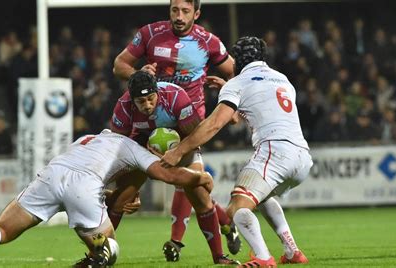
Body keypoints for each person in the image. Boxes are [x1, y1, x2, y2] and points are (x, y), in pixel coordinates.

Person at [0, 129, 214, 268]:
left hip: (53, 175)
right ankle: (97, 252)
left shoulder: (91, 137)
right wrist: (201, 178)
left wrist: (108, 195)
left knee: (2, 228)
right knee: (110, 248)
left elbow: (76, 168)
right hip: (84, 186)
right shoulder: (135, 148)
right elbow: (169, 176)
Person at [161, 36, 312, 267]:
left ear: (237, 62)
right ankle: (292, 251)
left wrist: (179, 151)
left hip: (275, 152)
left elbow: (214, 124)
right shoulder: (282, 79)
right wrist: (230, 92)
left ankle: (263, 258)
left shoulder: (238, 83)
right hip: (302, 157)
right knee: (262, 196)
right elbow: (258, 107)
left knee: (236, 210)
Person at [113, 0, 237, 260]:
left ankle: (205, 249)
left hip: (187, 124)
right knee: (126, 190)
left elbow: (237, 72)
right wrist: (138, 73)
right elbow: (119, 65)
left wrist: (229, 90)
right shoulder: (150, 33)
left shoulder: (208, 41)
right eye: (174, 10)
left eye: (185, 11)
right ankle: (100, 250)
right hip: (147, 122)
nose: (179, 16)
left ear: (197, 13)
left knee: (193, 189)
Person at [108, 70, 239, 264]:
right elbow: (119, 147)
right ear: (132, 99)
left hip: (182, 144)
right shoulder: (123, 107)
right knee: (122, 197)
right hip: (141, 148)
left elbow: (194, 136)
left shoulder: (176, 97)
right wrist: (132, 186)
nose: (147, 105)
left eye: (150, 99)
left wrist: (176, 154)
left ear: (157, 93)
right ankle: (100, 252)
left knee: (200, 195)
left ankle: (219, 257)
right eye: (141, 102)